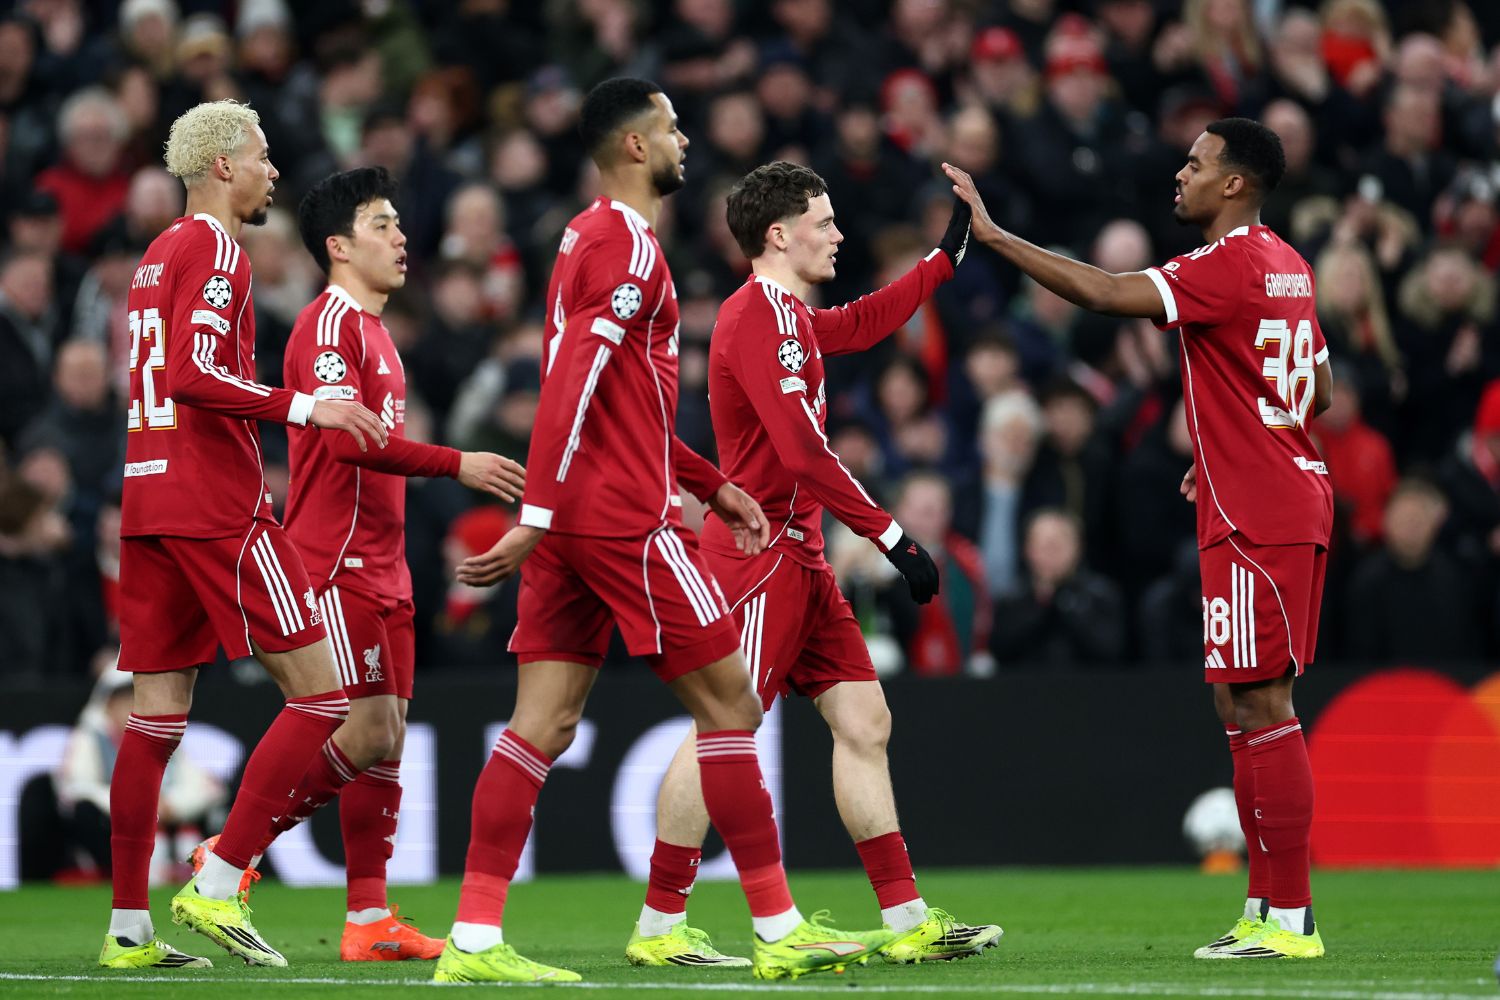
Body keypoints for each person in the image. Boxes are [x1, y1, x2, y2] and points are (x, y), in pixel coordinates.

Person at [437, 79, 896, 984]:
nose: (686, 137)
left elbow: (623, 403)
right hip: (615, 520)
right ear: (638, 148)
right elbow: (570, 381)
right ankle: (776, 925)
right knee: (731, 706)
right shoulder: (630, 249)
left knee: (542, 725)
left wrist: (710, 484)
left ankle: (475, 940)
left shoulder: (581, 237)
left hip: (581, 512)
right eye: (674, 127)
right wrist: (535, 513)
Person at [943, 116, 1333, 960]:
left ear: (1235, 183)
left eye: (1196, 164)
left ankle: (1292, 917)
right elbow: (1320, 388)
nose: (1180, 174)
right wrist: (1232, 448)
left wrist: (998, 237)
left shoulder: (1225, 265)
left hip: (1260, 512)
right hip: (1261, 498)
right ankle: (1265, 910)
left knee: (1264, 702)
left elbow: (1104, 293)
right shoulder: (1289, 266)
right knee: (1237, 704)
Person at [624, 159, 1000, 970]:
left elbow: (863, 323)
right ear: (778, 234)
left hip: (801, 561)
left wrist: (945, 259)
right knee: (724, 729)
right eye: (824, 223)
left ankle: (906, 920)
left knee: (866, 722)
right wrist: (891, 537)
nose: (838, 233)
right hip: (756, 559)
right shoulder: (757, 317)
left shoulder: (788, 317)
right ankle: (659, 925)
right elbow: (801, 450)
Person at [185, 166, 527, 961]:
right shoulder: (327, 326)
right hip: (332, 563)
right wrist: (457, 463)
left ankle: (368, 919)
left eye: (400, 221)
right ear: (338, 247)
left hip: (386, 565)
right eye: (381, 224)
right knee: (353, 723)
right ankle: (225, 863)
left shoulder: (377, 332)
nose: (401, 234)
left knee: (386, 736)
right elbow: (343, 439)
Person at [103, 100, 389, 970]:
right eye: (262, 158)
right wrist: (307, 404)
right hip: (214, 504)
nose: (274, 172)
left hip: (148, 500)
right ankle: (221, 880)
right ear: (223, 166)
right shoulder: (218, 248)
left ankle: (127, 932)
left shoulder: (156, 257)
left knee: (154, 721)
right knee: (323, 697)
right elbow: (194, 375)